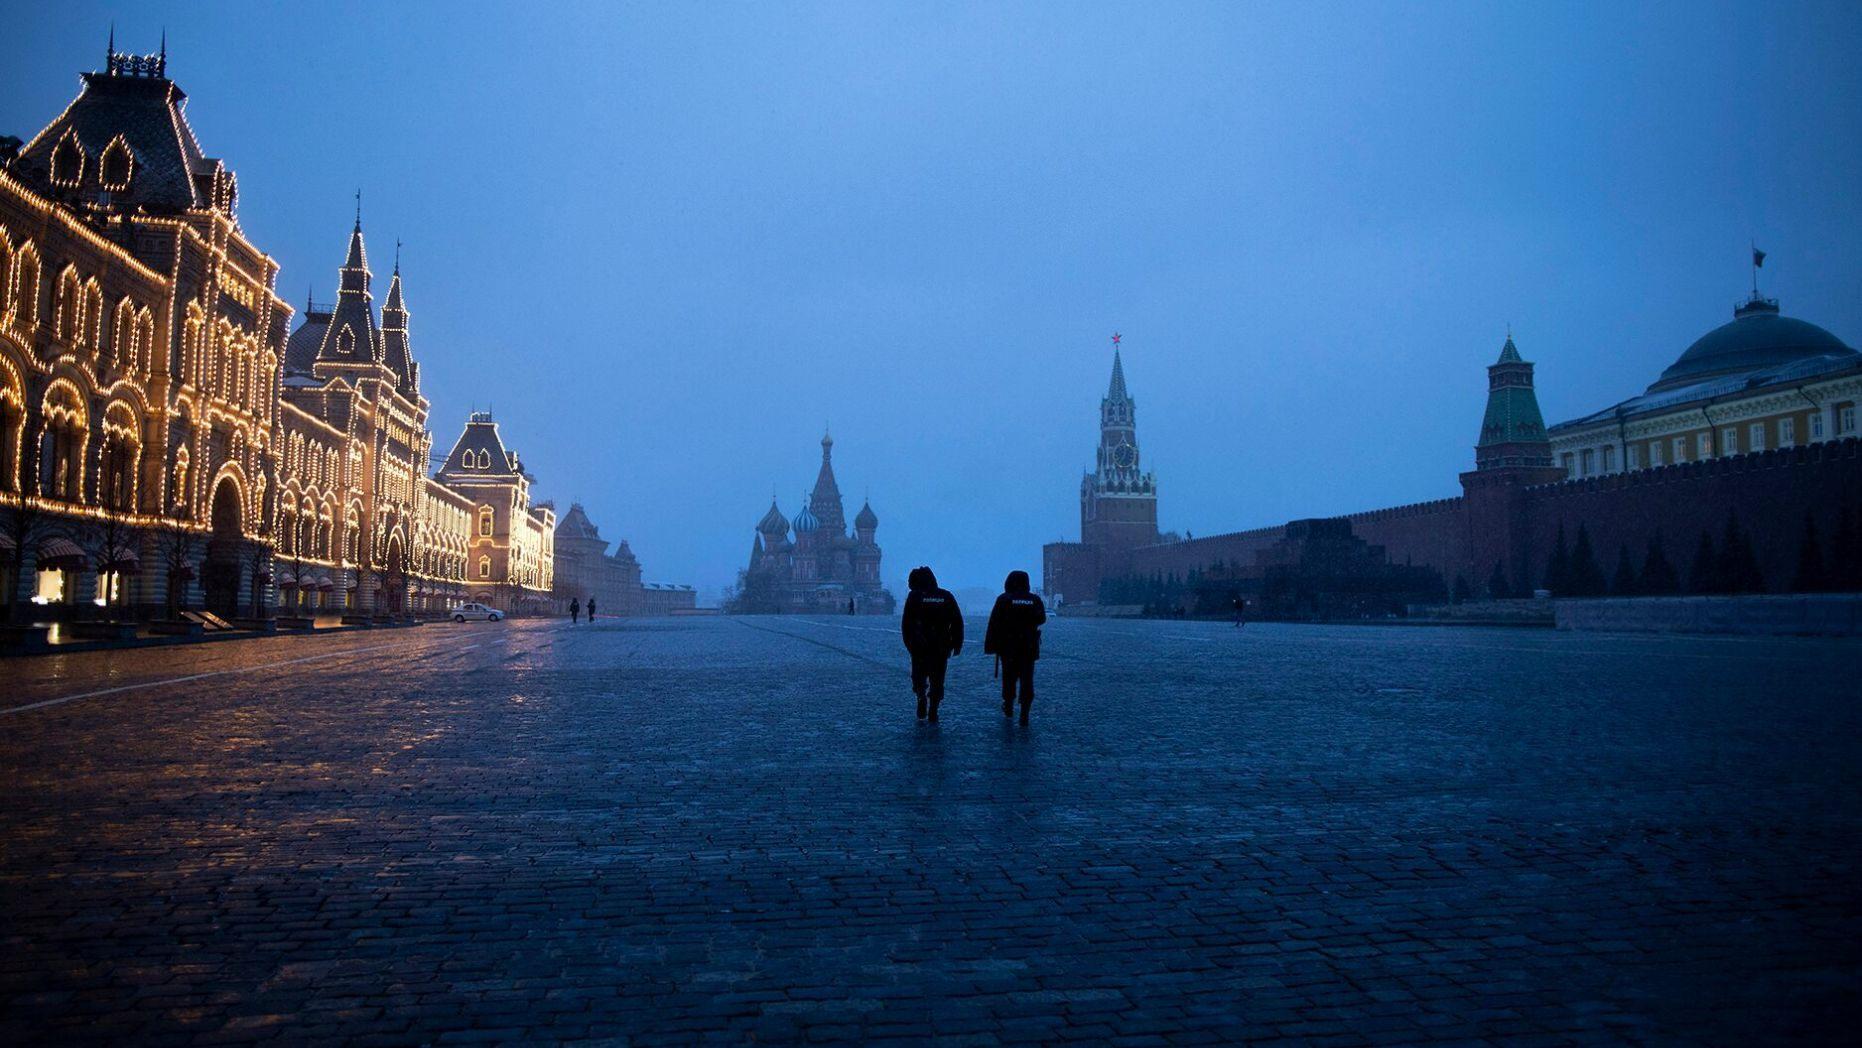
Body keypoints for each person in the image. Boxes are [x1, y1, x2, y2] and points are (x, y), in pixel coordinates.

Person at [900, 565, 963, 722]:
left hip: (920, 645)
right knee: (938, 678)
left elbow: (907, 623)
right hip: (941, 645)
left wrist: (910, 643)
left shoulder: (914, 597)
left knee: (919, 675)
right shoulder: (946, 596)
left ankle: (921, 696)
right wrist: (956, 643)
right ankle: (934, 707)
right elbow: (957, 621)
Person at [984, 570, 1047, 725]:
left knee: (1009, 677)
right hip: (1029, 647)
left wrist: (991, 646)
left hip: (1008, 647)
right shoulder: (1034, 599)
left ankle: (1009, 704)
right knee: (1027, 679)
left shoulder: (1004, 599)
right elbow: (1042, 618)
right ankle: (1025, 711)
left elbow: (993, 623)